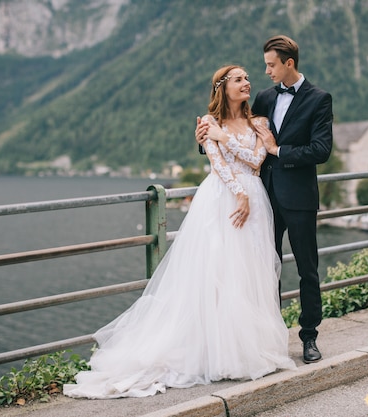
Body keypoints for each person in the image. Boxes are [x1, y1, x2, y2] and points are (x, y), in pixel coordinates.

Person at [63, 65, 296, 400]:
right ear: (222, 87)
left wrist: (226, 141)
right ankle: (215, 350)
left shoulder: (258, 122)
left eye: (248, 78)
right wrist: (239, 191)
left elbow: (257, 160)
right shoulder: (207, 122)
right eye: (239, 79)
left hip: (255, 201)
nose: (247, 83)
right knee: (216, 271)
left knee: (249, 273)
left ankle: (246, 348)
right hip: (222, 200)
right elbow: (218, 162)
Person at [196, 35, 333, 364]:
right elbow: (237, 127)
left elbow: (321, 150)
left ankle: (309, 337)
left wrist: (278, 151)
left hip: (298, 197)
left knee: (307, 271)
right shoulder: (264, 97)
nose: (266, 71)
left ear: (289, 64)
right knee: (262, 270)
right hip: (263, 200)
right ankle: (269, 336)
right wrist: (203, 140)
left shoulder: (319, 99)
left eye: (271, 65)